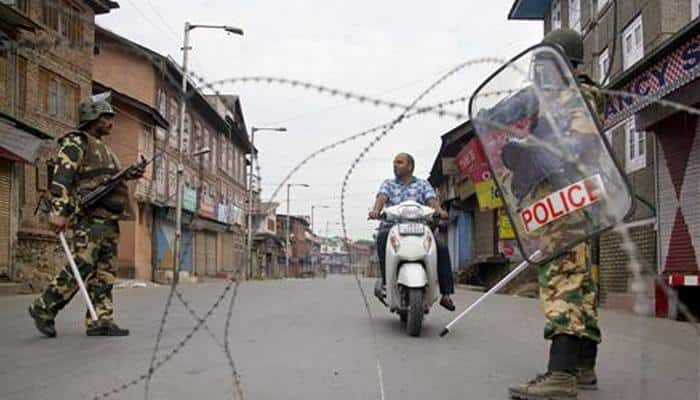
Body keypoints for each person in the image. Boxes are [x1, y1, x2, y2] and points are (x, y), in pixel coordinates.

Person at [506, 28, 604, 400]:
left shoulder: (575, 96)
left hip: (566, 202)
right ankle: (582, 365)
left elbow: (576, 147)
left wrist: (529, 151)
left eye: (544, 62)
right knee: (578, 280)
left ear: (560, 62)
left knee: (562, 278)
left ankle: (560, 374)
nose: (538, 71)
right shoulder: (560, 100)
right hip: (566, 202)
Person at [28, 93, 144, 338]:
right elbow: (61, 177)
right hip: (89, 219)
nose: (111, 122)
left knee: (105, 272)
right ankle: (44, 307)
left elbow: (108, 181)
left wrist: (130, 173)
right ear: (92, 117)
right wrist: (58, 212)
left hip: (109, 220)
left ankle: (100, 319)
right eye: (106, 117)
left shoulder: (106, 151)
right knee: (81, 265)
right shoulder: (76, 142)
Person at [368, 152, 455, 311]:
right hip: (393, 227)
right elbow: (381, 198)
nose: (395, 165)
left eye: (400, 162)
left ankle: (446, 294)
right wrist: (375, 211)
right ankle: (387, 282)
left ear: (410, 166)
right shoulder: (388, 184)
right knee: (381, 238)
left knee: (441, 247)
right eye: (394, 162)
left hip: (420, 228)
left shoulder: (422, 185)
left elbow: (432, 200)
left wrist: (439, 211)